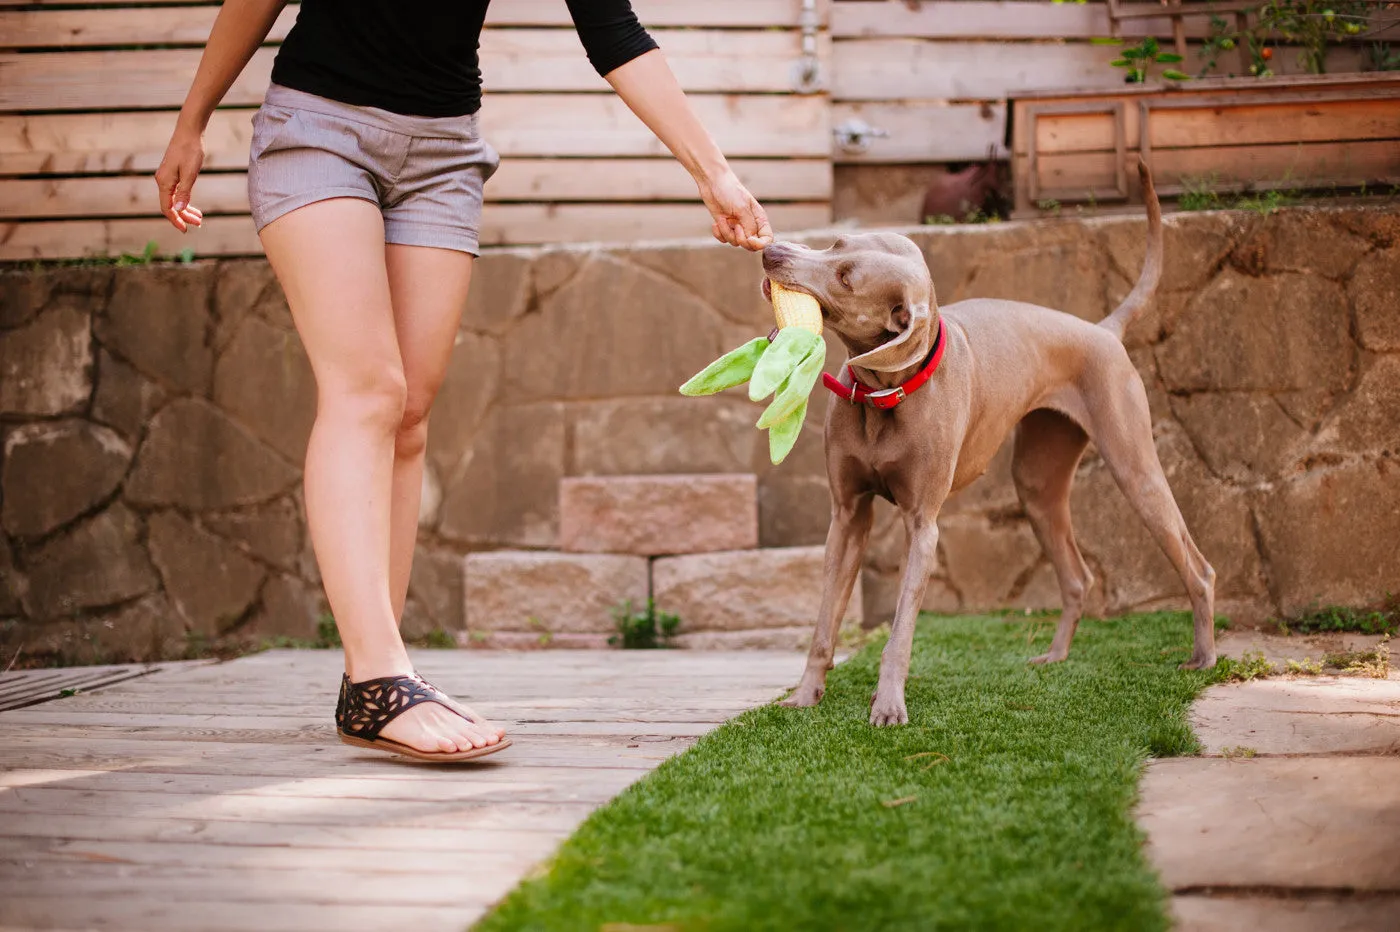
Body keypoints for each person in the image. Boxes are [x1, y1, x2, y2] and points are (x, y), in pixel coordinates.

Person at [156, 0, 773, 763]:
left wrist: (715, 175)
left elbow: (612, 31)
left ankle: (371, 682)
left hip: (443, 152)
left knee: (410, 412)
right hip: (318, 128)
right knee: (368, 390)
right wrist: (192, 120)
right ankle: (383, 679)